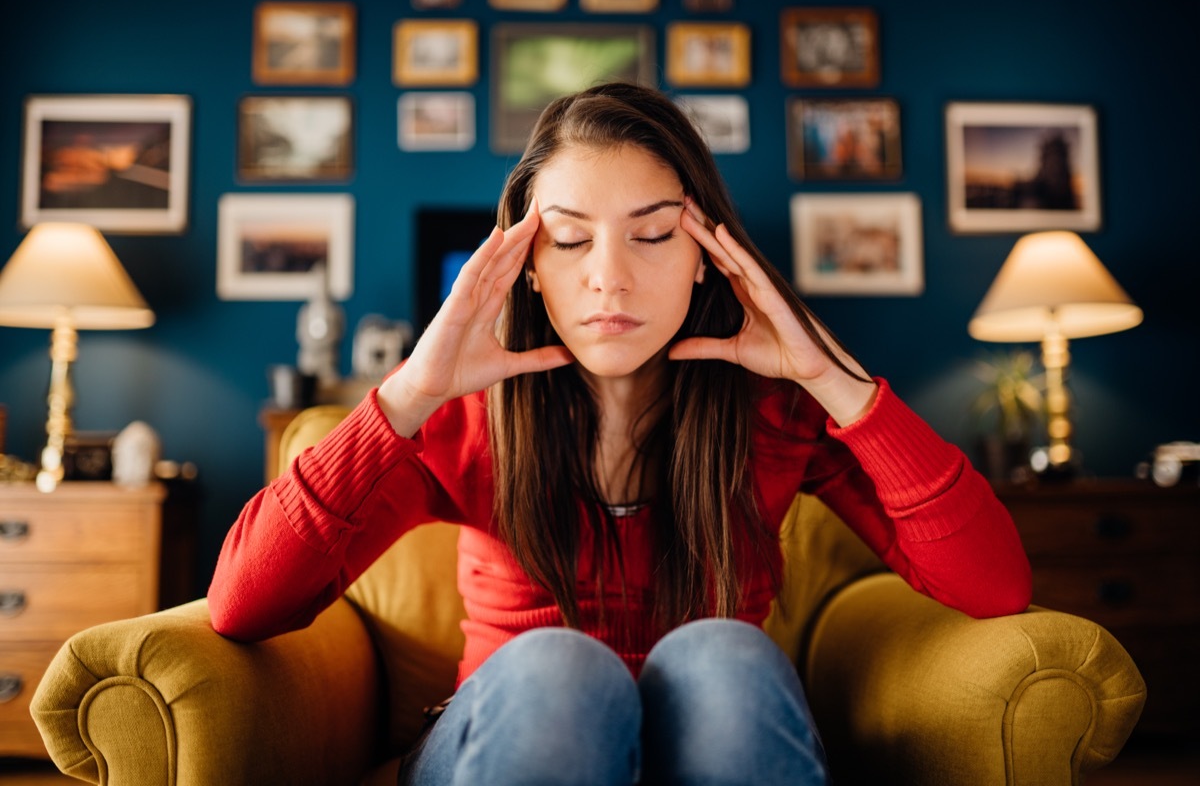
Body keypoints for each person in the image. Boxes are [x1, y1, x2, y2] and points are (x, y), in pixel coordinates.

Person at [208, 81, 1032, 785]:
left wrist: (833, 382)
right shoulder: (458, 419)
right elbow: (243, 604)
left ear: (709, 253)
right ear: (528, 262)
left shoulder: (778, 414)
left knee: (723, 658)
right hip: (509, 739)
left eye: (652, 234)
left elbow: (993, 587)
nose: (610, 274)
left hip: (720, 737)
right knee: (559, 668)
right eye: (569, 239)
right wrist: (410, 392)